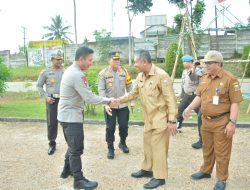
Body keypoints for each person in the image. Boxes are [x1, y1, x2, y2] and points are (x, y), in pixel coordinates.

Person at [117, 49, 177, 189]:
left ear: (144, 61)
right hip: (148, 119)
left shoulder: (162, 76)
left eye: (136, 61)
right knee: (148, 145)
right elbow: (133, 94)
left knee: (159, 148)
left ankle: (160, 177)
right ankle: (147, 169)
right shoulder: (140, 76)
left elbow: (171, 99)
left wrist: (172, 120)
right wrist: (118, 100)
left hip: (160, 119)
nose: (135, 64)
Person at [183, 50, 243, 190]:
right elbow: (198, 96)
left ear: (217, 64)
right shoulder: (204, 77)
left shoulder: (230, 79)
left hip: (222, 121)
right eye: (205, 63)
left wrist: (232, 122)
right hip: (206, 120)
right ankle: (206, 170)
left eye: (209, 63)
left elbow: (235, 102)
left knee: (222, 151)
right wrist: (189, 108)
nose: (205, 66)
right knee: (207, 148)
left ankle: (222, 178)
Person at [57, 46, 115, 190]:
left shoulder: (71, 70)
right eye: (89, 60)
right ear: (81, 59)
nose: (91, 63)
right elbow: (89, 97)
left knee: (72, 145)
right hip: (71, 117)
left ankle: (66, 170)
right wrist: (107, 100)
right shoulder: (77, 74)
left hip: (66, 115)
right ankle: (78, 180)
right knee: (76, 148)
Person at [98, 51, 133, 159]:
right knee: (110, 128)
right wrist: (105, 104)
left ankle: (122, 143)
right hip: (110, 106)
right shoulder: (103, 74)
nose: (117, 61)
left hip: (122, 105)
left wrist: (132, 100)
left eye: (118, 59)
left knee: (123, 126)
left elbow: (130, 86)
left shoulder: (124, 71)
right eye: (115, 59)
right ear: (109, 60)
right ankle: (110, 148)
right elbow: (101, 90)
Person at [37, 49, 63, 155]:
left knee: (67, 121)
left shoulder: (64, 71)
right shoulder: (45, 72)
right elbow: (39, 85)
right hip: (51, 100)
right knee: (52, 123)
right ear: (52, 60)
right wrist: (46, 97)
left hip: (64, 100)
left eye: (61, 59)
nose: (59, 61)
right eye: (57, 59)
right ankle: (52, 143)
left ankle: (71, 143)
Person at [176, 55, 204, 149]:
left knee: (200, 115)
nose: (183, 64)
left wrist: (194, 68)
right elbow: (183, 84)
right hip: (186, 95)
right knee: (180, 109)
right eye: (183, 62)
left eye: (185, 62)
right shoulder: (184, 71)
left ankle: (202, 138)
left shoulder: (197, 70)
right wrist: (181, 94)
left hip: (195, 96)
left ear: (189, 62)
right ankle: (178, 125)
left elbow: (193, 78)